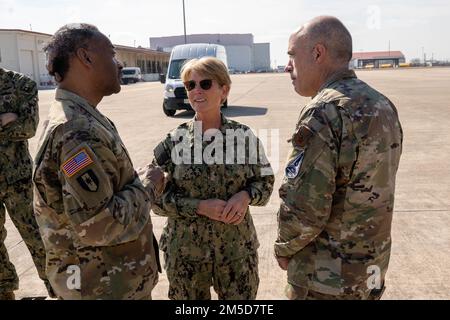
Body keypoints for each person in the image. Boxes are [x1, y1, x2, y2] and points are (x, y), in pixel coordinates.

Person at [274, 16, 403, 300]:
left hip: (326, 279)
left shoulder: (323, 111)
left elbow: (305, 204)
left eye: (292, 55)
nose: (287, 66)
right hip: (371, 269)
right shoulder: (382, 104)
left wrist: (284, 247)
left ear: (318, 53)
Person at [33, 23, 164, 300]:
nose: (118, 65)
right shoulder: (75, 131)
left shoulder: (81, 117)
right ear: (87, 57)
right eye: (112, 53)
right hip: (102, 288)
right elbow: (98, 225)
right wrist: (148, 186)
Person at [152, 57, 274, 300]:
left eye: (205, 84)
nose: (196, 90)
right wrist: (199, 207)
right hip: (187, 257)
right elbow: (156, 201)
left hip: (236, 253)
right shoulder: (173, 142)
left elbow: (265, 183)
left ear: (224, 90)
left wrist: (246, 195)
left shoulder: (243, 137)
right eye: (190, 85)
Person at [0, 68, 54, 300]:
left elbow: (28, 128)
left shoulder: (21, 84)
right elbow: (17, 125)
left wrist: (15, 122)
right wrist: (7, 118)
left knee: (39, 237)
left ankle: (59, 288)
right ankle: (4, 292)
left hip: (17, 180)